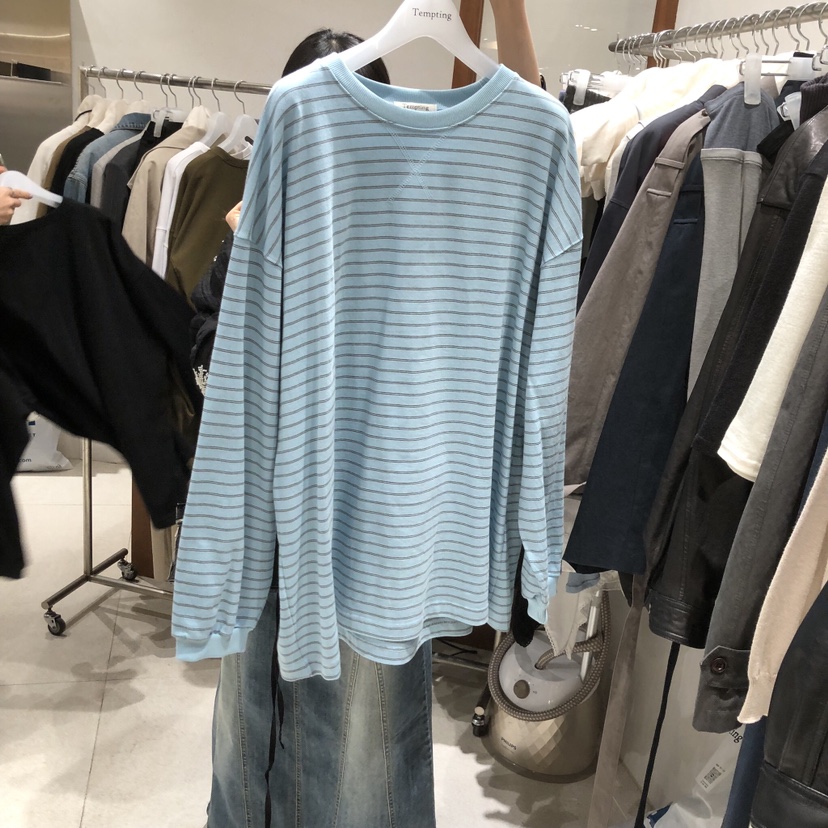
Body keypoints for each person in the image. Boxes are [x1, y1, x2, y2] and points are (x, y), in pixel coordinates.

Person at [195, 8, 544, 827]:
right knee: (256, 703)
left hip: (382, 508)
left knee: (365, 722)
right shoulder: (260, 212)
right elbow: (210, 355)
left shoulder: (429, 209)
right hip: (274, 500)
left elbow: (533, 133)